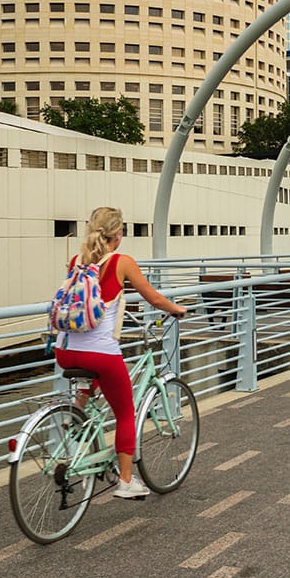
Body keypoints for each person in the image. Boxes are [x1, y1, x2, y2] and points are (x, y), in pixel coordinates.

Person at [54, 207, 187, 500]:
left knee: (97, 378)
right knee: (126, 412)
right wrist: (176, 309)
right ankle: (125, 481)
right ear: (118, 235)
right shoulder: (121, 262)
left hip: (65, 351)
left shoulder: (77, 261)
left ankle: (77, 412)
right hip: (99, 353)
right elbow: (151, 296)